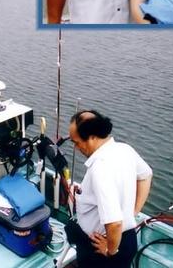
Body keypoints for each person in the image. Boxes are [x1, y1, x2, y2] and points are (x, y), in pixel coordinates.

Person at [66, 110, 152, 268]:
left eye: (77, 143)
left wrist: (111, 251)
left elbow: (114, 223)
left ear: (92, 137)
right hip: (128, 240)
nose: (77, 148)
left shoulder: (100, 168)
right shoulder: (125, 149)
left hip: (103, 248)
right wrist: (133, 212)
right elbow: (146, 176)